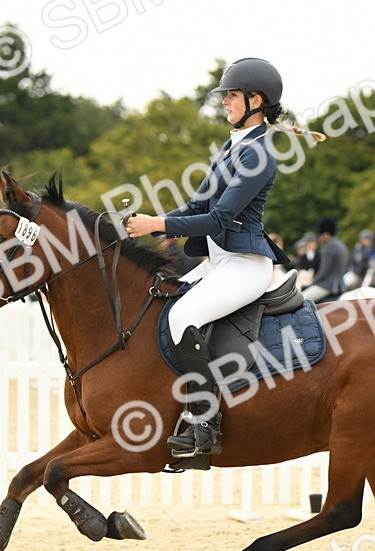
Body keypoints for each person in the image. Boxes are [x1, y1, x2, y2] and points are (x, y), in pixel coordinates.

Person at [124, 57, 324, 459]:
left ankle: (205, 423)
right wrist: (141, 225)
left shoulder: (259, 155)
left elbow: (218, 218)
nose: (225, 102)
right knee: (162, 304)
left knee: (182, 318)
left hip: (245, 265)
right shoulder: (233, 146)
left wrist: (158, 225)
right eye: (227, 96)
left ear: (256, 100)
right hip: (218, 263)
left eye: (231, 96)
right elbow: (194, 205)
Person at [304, 218, 350, 302]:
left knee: (302, 298)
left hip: (328, 286)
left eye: (320, 235)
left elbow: (323, 271)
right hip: (341, 284)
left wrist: (312, 283)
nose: (319, 238)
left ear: (325, 234)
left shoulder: (328, 247)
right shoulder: (342, 245)